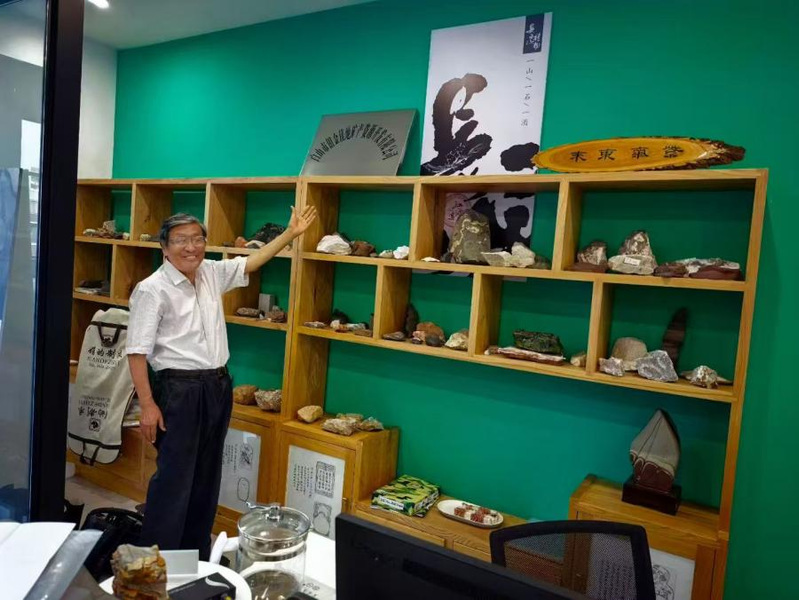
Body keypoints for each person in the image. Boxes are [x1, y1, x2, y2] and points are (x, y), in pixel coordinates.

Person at [126, 206, 317, 559]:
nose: (191, 247)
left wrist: (290, 234)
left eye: (197, 239)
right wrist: (148, 405)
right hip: (179, 390)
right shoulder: (152, 289)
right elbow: (136, 351)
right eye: (181, 240)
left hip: (216, 386)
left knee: (206, 477)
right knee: (174, 481)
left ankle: (196, 559)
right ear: (164, 247)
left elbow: (251, 262)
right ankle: (155, 564)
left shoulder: (211, 272)